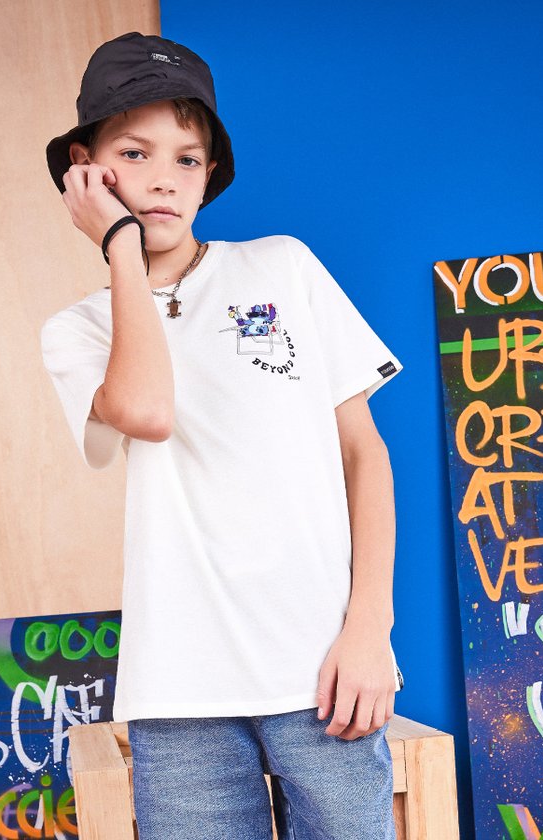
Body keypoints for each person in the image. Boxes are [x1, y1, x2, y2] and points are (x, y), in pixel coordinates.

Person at [42, 30, 405, 840]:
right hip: (179, 695)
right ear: (84, 169)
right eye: (133, 155)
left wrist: (370, 628)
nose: (163, 181)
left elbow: (364, 452)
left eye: (188, 159)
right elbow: (148, 412)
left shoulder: (283, 267)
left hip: (323, 669)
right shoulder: (78, 331)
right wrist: (120, 247)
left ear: (209, 173)